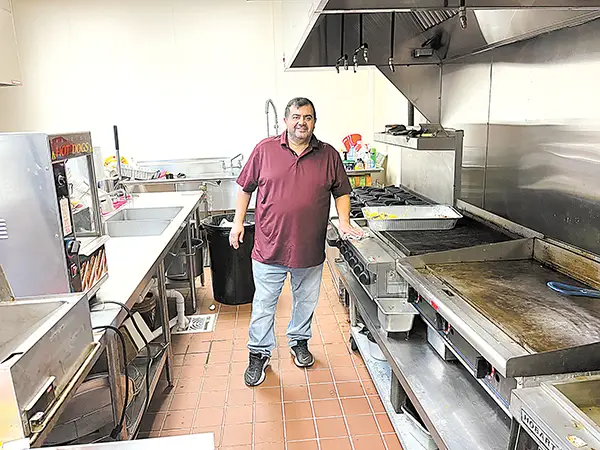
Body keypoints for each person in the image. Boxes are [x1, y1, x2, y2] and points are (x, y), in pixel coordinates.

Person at [229, 97, 363, 386]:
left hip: (309, 248)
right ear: (286, 121)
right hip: (269, 246)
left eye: (308, 117)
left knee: (306, 302)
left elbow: (341, 192)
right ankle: (259, 354)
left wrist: (344, 221)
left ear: (314, 122)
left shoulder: (328, 155)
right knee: (264, 304)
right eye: (296, 117)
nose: (302, 122)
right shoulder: (265, 150)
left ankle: (299, 341)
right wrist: (238, 222)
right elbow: (244, 188)